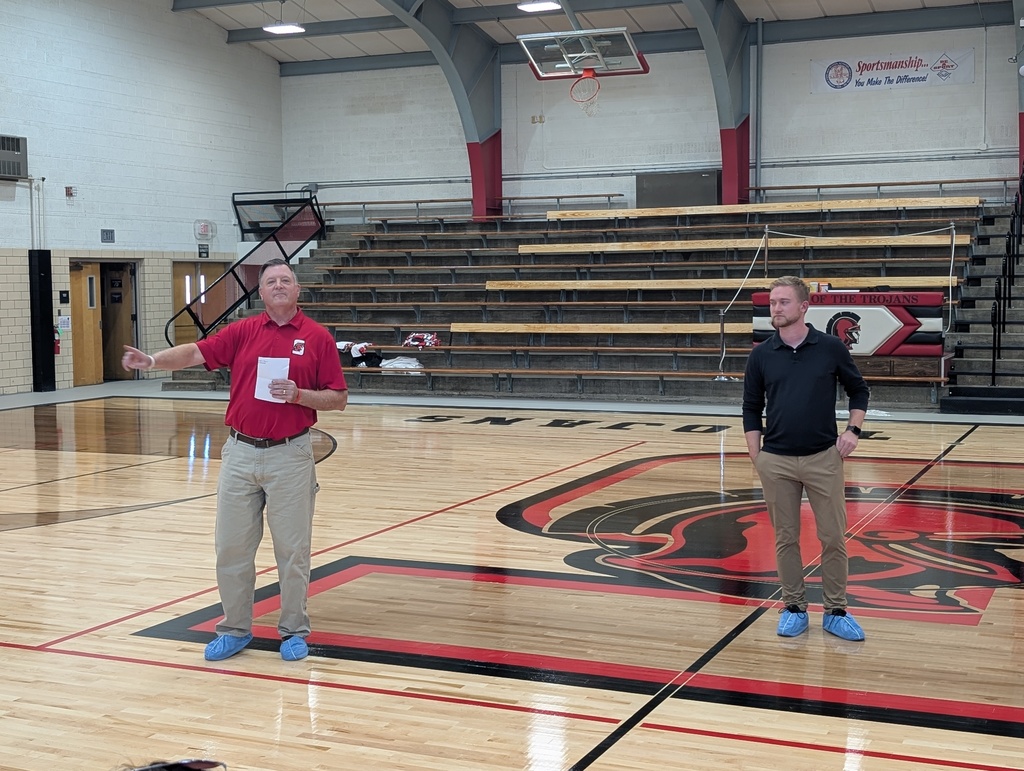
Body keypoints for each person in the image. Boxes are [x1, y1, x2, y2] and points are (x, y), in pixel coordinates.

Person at [122, 258, 348, 662]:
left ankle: (293, 631)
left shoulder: (317, 338)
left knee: (292, 551)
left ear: (297, 291)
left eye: (286, 280)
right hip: (241, 454)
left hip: (291, 455)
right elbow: (195, 352)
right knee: (231, 548)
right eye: (271, 281)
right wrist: (153, 361)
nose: (279, 286)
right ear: (260, 293)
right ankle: (234, 629)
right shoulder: (243, 331)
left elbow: (338, 398)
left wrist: (300, 395)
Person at [742, 276, 870, 642]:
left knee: (832, 537)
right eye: (772, 302)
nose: (775, 308)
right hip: (776, 461)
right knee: (785, 538)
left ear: (803, 307)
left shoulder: (830, 348)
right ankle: (794, 607)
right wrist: (757, 455)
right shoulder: (762, 353)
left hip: (822, 458)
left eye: (783, 302)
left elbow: (859, 390)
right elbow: (751, 408)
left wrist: (852, 432)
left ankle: (835, 610)